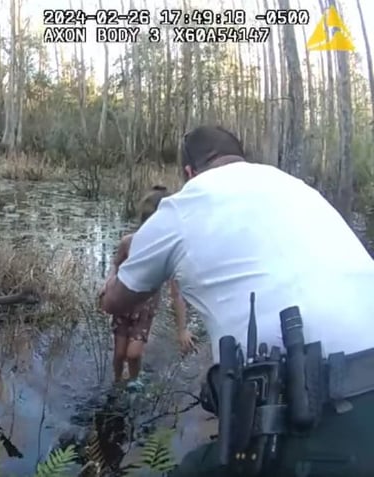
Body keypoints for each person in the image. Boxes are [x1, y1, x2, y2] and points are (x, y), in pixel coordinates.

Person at [100, 125, 374, 476]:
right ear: (240, 157)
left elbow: (115, 301)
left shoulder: (183, 205)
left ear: (189, 173)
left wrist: (125, 254)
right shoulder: (296, 188)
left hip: (314, 418)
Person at [104, 185, 193, 387]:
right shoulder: (128, 242)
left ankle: (134, 383)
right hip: (122, 303)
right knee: (119, 354)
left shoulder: (167, 253)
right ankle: (118, 384)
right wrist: (108, 283)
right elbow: (115, 265)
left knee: (133, 354)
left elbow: (176, 293)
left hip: (144, 310)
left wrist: (182, 330)